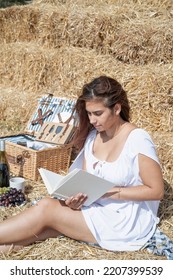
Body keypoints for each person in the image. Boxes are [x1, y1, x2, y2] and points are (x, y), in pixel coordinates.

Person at [0, 75, 164, 254]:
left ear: (116, 108)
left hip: (125, 220)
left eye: (98, 113)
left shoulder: (138, 139)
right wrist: (76, 200)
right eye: (89, 113)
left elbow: (156, 191)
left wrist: (109, 192)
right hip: (96, 209)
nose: (92, 120)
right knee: (44, 229)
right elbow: (86, 183)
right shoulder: (93, 137)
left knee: (47, 208)